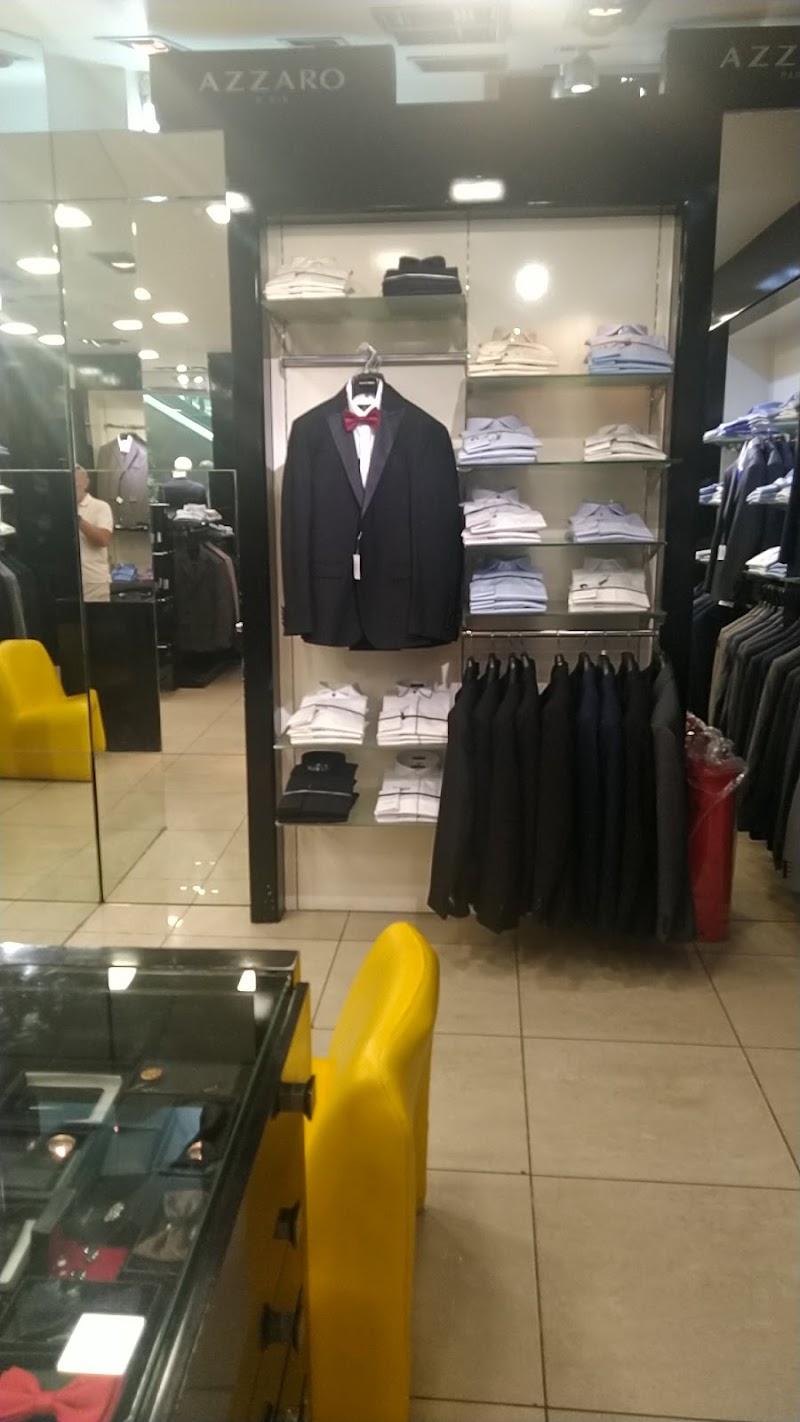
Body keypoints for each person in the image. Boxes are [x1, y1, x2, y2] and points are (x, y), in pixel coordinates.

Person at [74, 465, 113, 602]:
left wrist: (78, 520)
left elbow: (103, 540)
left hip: (94, 583)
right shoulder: (58, 509)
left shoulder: (100, 507)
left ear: (86, 482)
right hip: (67, 581)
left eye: (76, 483)